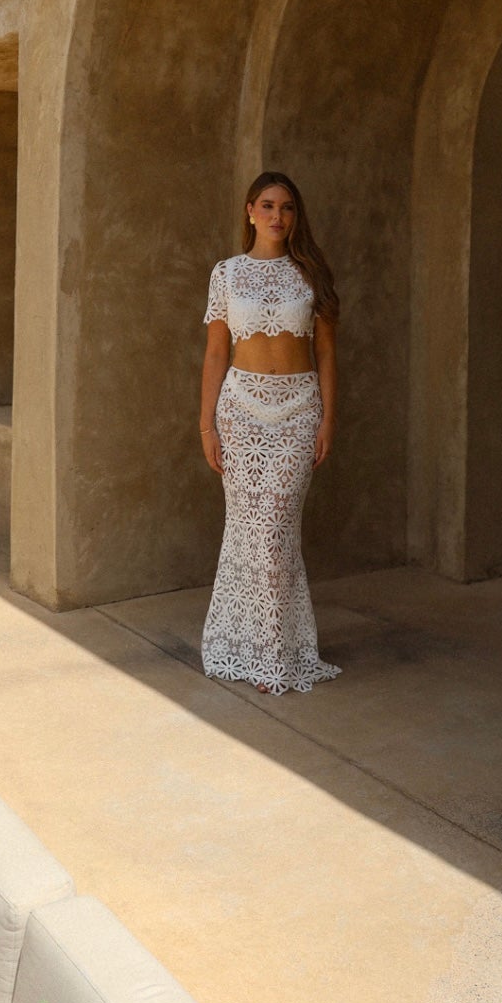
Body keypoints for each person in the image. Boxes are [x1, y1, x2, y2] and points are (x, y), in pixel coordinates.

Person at [199, 171, 341, 695]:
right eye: (267, 205)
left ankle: (277, 651)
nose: (277, 216)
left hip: (299, 411)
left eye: (286, 208)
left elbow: (325, 352)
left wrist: (328, 418)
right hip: (239, 412)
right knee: (247, 530)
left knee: (276, 528)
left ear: (295, 216)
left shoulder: (310, 273)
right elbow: (216, 351)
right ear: (249, 211)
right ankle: (249, 647)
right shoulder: (227, 274)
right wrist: (206, 424)